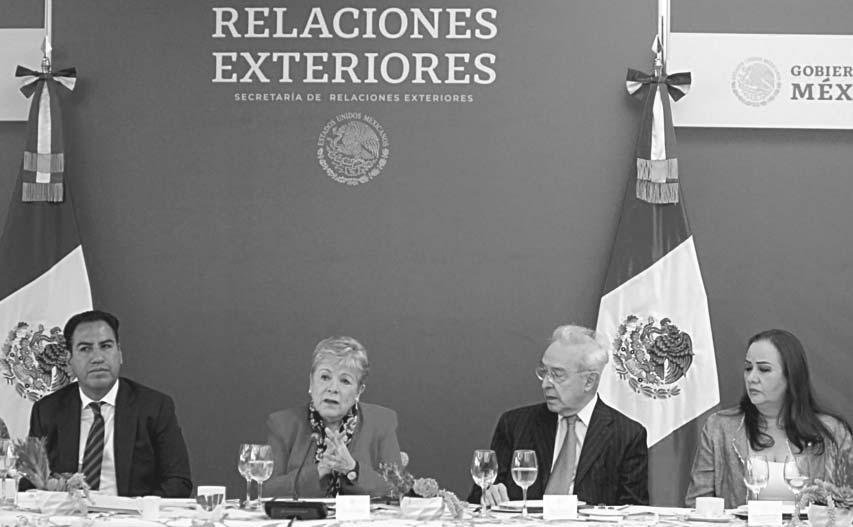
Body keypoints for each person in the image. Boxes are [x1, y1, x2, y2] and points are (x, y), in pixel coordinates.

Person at [470, 324, 649, 506]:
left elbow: (633, 511)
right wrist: (488, 494)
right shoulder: (515, 425)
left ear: (589, 381)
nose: (546, 384)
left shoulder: (626, 435)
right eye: (544, 373)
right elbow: (478, 497)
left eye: (557, 375)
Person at [27, 310, 192, 497]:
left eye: (106, 346)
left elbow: (178, 481)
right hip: (69, 512)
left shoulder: (154, 407)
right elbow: (32, 480)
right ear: (69, 359)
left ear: (119, 353)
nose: (98, 358)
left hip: (133, 513)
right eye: (85, 349)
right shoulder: (47, 410)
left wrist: (137, 509)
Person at [686, 329, 853, 508]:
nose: (752, 378)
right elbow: (696, 506)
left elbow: (848, 503)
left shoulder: (832, 432)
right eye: (748, 368)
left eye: (764, 370)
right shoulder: (719, 428)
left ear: (791, 376)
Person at [265, 336, 401, 498]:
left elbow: (396, 488)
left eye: (345, 381)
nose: (333, 388)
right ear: (311, 382)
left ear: (359, 391)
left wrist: (352, 469)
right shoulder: (283, 424)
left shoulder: (381, 423)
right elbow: (266, 490)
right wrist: (320, 469)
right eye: (325, 377)